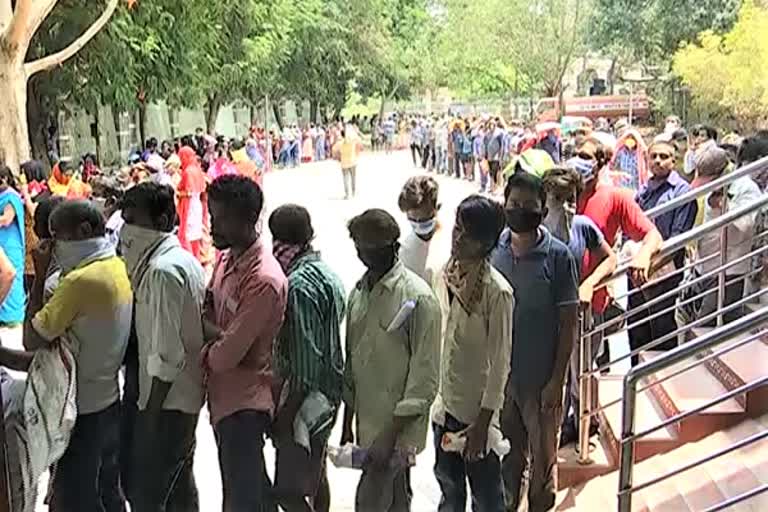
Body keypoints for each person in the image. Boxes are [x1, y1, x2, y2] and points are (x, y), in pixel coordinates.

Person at [24, 199, 132, 510]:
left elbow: (32, 339)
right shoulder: (113, 264)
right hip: (109, 400)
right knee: (108, 490)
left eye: (58, 237)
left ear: (84, 231)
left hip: (80, 410)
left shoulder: (78, 282)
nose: (52, 246)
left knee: (74, 497)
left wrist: (41, 273)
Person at [341, 209, 441, 511]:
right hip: (368, 427)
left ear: (394, 247)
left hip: (397, 432)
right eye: (361, 247)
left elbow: (424, 379)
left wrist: (390, 434)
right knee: (396, 500)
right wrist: (348, 422)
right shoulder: (358, 293)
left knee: (370, 502)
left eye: (373, 247)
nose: (366, 254)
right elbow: (353, 362)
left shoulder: (418, 298)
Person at [491, 173, 579, 512]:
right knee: (507, 463)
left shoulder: (559, 257)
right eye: (515, 205)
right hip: (502, 383)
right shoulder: (494, 249)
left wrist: (557, 381)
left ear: (543, 209)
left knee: (542, 469)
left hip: (542, 384)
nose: (521, 211)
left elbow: (569, 323)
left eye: (529, 206)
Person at [202, 175, 288, 511]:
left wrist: (211, 340)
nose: (212, 227)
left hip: (246, 405)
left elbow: (225, 357)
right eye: (211, 217)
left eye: (220, 219)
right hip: (224, 399)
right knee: (247, 492)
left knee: (242, 500)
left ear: (246, 220)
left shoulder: (263, 278)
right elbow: (207, 305)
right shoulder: (226, 259)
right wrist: (221, 336)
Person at [119, 183, 206, 512]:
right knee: (178, 486)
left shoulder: (162, 272)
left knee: (149, 492)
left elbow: (167, 356)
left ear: (165, 219)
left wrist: (148, 416)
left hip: (165, 402)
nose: (128, 229)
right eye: (125, 219)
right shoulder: (174, 259)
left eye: (136, 220)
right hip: (177, 398)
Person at [432, 196, 512, 512]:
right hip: (445, 407)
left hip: (477, 418)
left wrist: (482, 423)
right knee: (449, 492)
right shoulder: (446, 275)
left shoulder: (497, 293)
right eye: (457, 228)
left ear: (486, 243)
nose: (457, 237)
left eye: (467, 233)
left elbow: (500, 365)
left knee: (487, 499)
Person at [268, 205, 346, 512]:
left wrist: (285, 417)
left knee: (287, 492)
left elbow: (304, 364)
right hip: (330, 393)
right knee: (316, 474)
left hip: (305, 402)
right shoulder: (326, 272)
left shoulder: (297, 286)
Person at [540, 167, 618, 446]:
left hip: (578, 320)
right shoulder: (533, 233)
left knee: (581, 375)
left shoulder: (583, 226)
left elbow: (610, 258)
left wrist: (590, 284)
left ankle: (583, 427)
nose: (566, 207)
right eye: (558, 199)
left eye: (571, 199)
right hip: (543, 323)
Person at [572, 138, 663, 365]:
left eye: (585, 157)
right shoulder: (561, 193)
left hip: (590, 302)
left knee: (580, 377)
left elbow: (652, 235)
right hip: (555, 300)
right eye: (576, 155)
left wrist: (643, 256)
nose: (577, 161)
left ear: (600, 163)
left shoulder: (615, 198)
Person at [629, 141, 697, 364]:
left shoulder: (682, 193)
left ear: (674, 161)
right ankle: (636, 381)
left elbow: (678, 238)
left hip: (664, 270)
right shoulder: (643, 191)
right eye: (654, 156)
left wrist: (650, 266)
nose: (658, 160)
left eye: (664, 156)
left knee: (662, 326)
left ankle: (662, 377)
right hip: (637, 268)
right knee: (637, 326)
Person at [679, 146, 761, 326]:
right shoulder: (711, 189)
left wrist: (724, 204)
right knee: (697, 321)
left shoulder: (746, 188)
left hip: (729, 269)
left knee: (706, 325)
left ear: (721, 173)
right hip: (704, 267)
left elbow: (747, 225)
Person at [397, 176, 444, 286]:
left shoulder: (451, 241)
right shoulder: (404, 254)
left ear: (437, 208)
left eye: (424, 219)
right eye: (413, 219)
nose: (418, 224)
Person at [0, 166, 25, 326]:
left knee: (11, 280)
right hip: (2, 245)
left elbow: (6, 219)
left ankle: (12, 319)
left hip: (10, 247)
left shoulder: (11, 197)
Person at [176, 146, 208, 262]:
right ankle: (197, 259)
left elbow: (188, 192)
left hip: (189, 207)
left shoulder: (188, 172)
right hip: (197, 205)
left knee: (187, 235)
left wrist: (178, 193)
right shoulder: (197, 170)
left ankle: (190, 261)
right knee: (195, 236)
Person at [332, 127, 363, 200]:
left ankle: (347, 194)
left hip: (344, 162)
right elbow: (359, 141)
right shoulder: (352, 141)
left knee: (345, 179)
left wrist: (337, 156)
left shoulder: (340, 143)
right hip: (353, 161)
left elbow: (333, 149)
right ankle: (353, 192)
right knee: (353, 178)